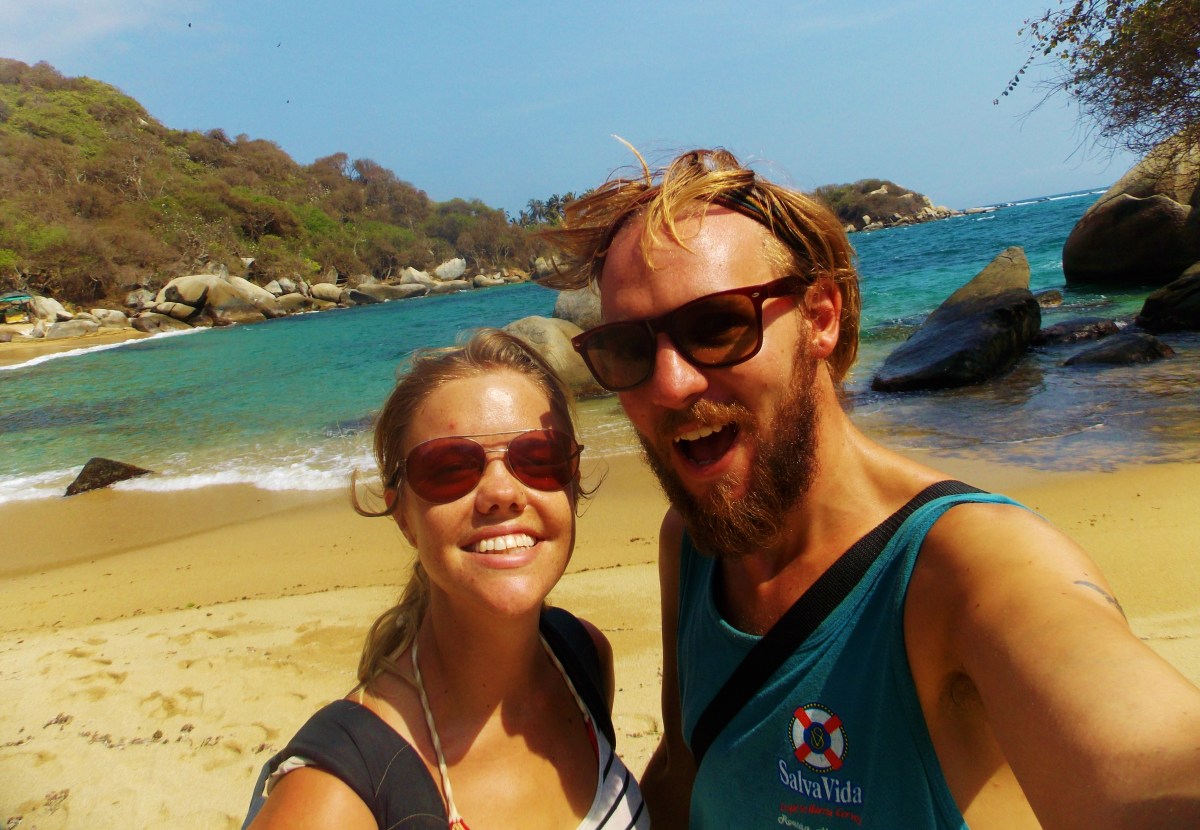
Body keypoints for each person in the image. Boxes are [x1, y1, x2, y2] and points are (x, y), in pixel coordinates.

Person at [540, 149, 1200, 829]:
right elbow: (685, 773)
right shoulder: (694, 542)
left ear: (821, 317)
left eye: (718, 325)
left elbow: (1146, 760)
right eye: (627, 348)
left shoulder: (975, 566)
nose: (670, 384)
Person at [243, 329, 650, 829]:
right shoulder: (335, 795)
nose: (502, 493)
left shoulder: (582, 656)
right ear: (403, 515)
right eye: (449, 468)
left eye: (539, 458)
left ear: (574, 480)